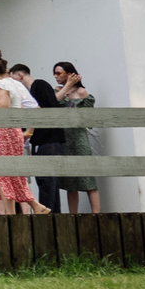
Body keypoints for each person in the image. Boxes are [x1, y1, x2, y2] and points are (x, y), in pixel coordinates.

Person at [12, 61, 66, 210]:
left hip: (49, 139)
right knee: (46, 180)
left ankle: (47, 213)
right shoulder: (32, 90)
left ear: (20, 75)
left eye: (13, 79)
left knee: (47, 179)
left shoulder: (40, 85)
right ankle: (51, 212)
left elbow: (48, 108)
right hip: (42, 140)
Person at [0, 91, 43, 213]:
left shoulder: (2, 87)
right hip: (6, 135)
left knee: (3, 176)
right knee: (11, 176)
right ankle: (30, 208)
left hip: (0, 136)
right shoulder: (13, 86)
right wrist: (29, 132)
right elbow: (35, 108)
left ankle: (9, 214)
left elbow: (4, 105)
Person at [53, 62, 103, 213]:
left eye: (59, 73)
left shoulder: (82, 92)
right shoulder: (58, 91)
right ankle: (72, 215)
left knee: (87, 177)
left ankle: (97, 214)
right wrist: (67, 86)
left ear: (69, 73)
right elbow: (53, 102)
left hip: (79, 137)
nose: (56, 76)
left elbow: (90, 118)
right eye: (54, 73)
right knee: (70, 182)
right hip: (64, 138)